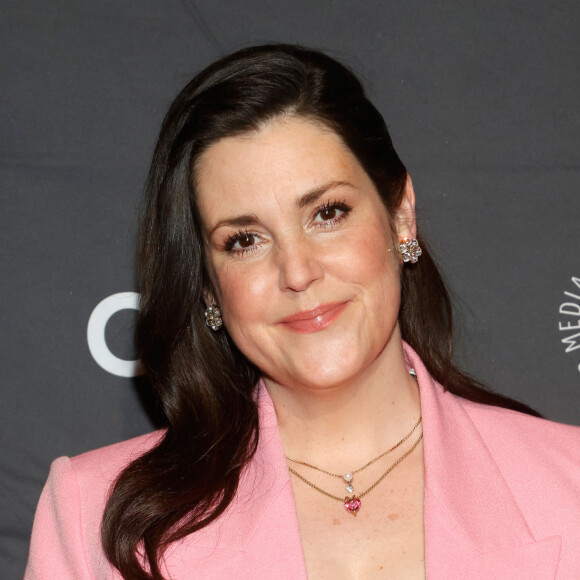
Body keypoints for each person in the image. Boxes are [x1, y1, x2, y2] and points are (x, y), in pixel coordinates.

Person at [25, 44, 580, 580]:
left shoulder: (568, 484)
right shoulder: (93, 517)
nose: (297, 271)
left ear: (400, 217)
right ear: (208, 288)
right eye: (244, 240)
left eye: (327, 212)